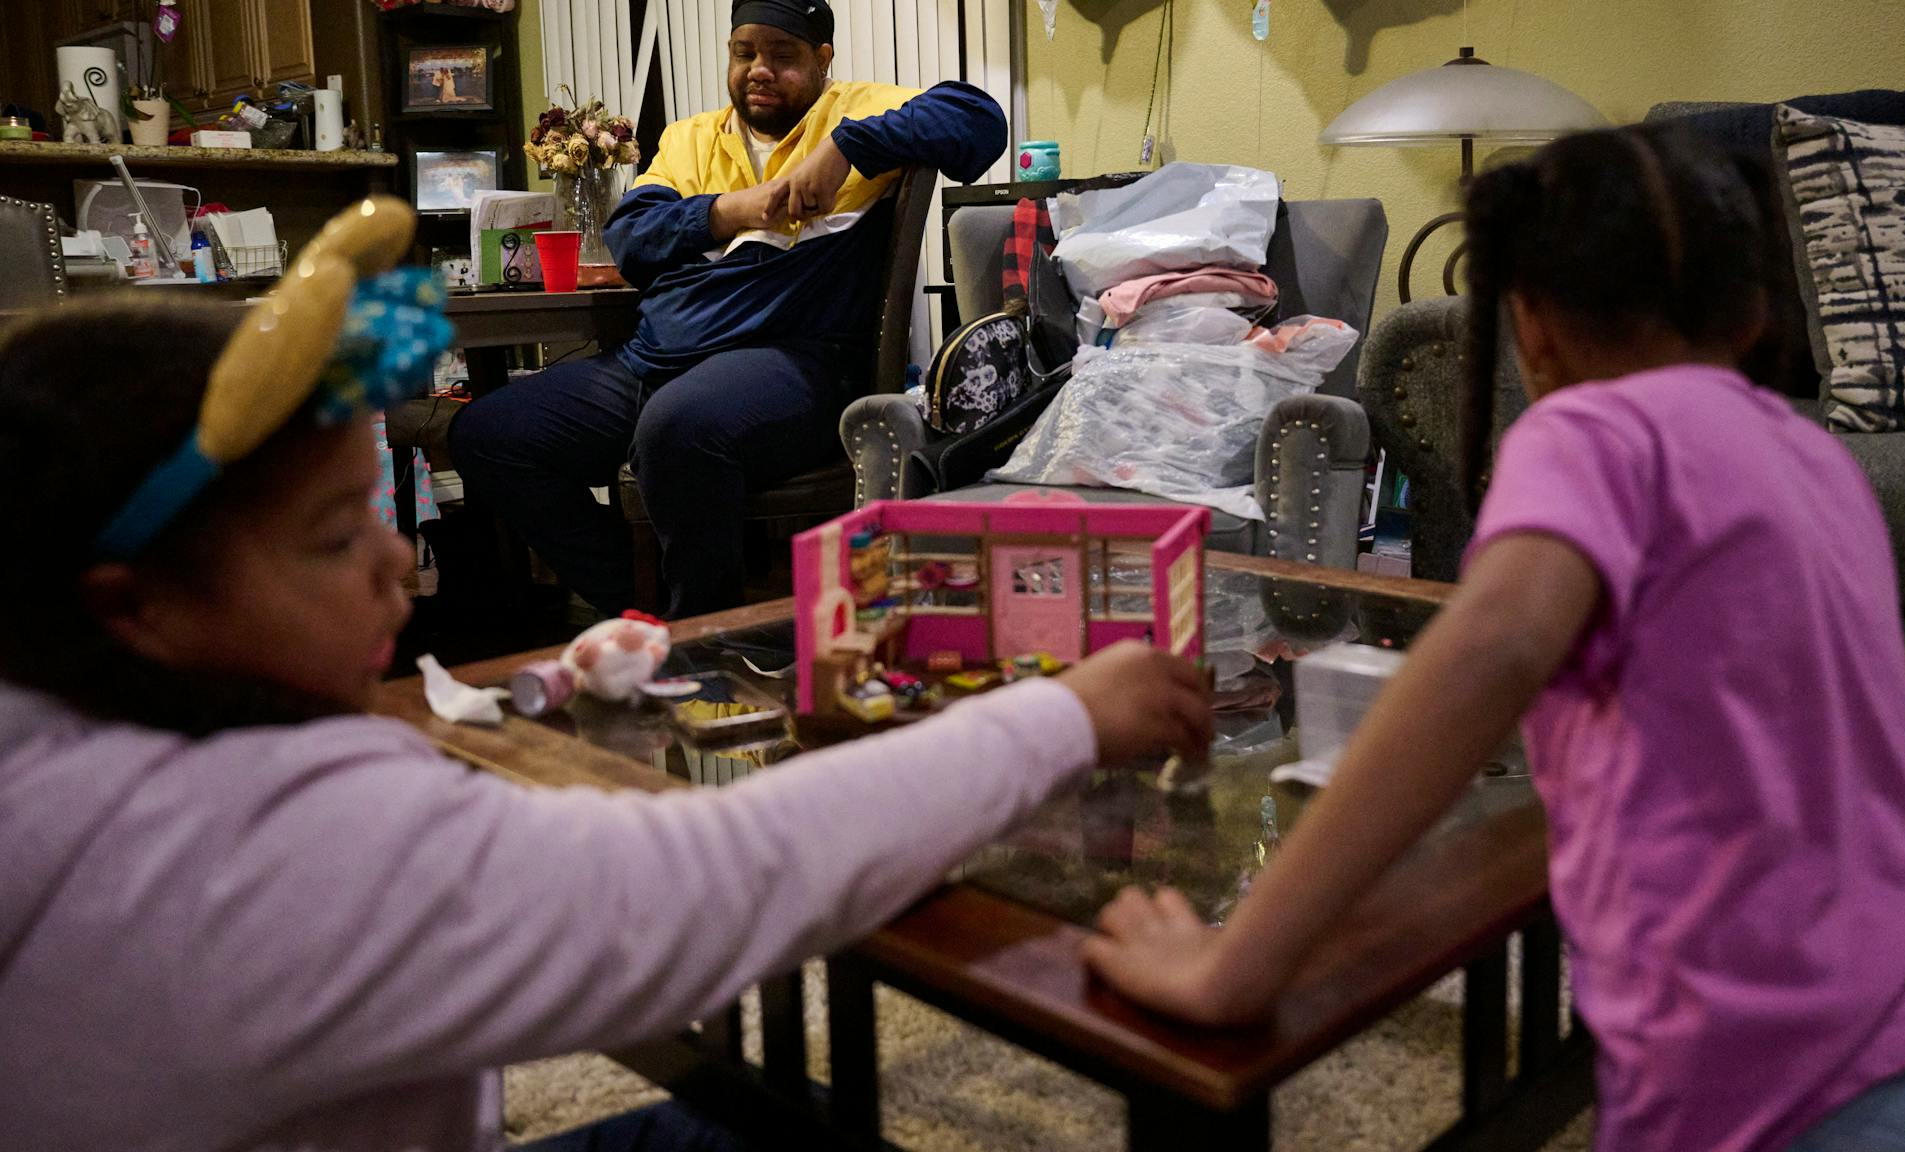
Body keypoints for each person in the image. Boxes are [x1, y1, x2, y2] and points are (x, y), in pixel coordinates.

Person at [0, 294, 1210, 1151]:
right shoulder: (261, 858)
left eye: (371, 511)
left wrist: (543, 684)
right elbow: (721, 876)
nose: (394, 563)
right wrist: (1062, 715)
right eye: (329, 540)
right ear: (137, 606)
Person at [1079, 126, 1905, 1152]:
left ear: (1531, 327)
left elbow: (1486, 657)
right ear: (1755, 312)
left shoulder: (1591, 429)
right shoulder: (1822, 464)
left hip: (1784, 1102)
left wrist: (1236, 967)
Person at [452, 0, 1007, 619]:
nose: (759, 70)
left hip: (794, 363)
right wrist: (732, 210)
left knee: (679, 426)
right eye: (745, 52)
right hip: (657, 361)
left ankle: (705, 632)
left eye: (782, 54)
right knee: (489, 433)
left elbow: (978, 119)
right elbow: (632, 237)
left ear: (823, 59)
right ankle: (645, 606)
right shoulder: (691, 139)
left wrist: (846, 147)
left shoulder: (854, 111)